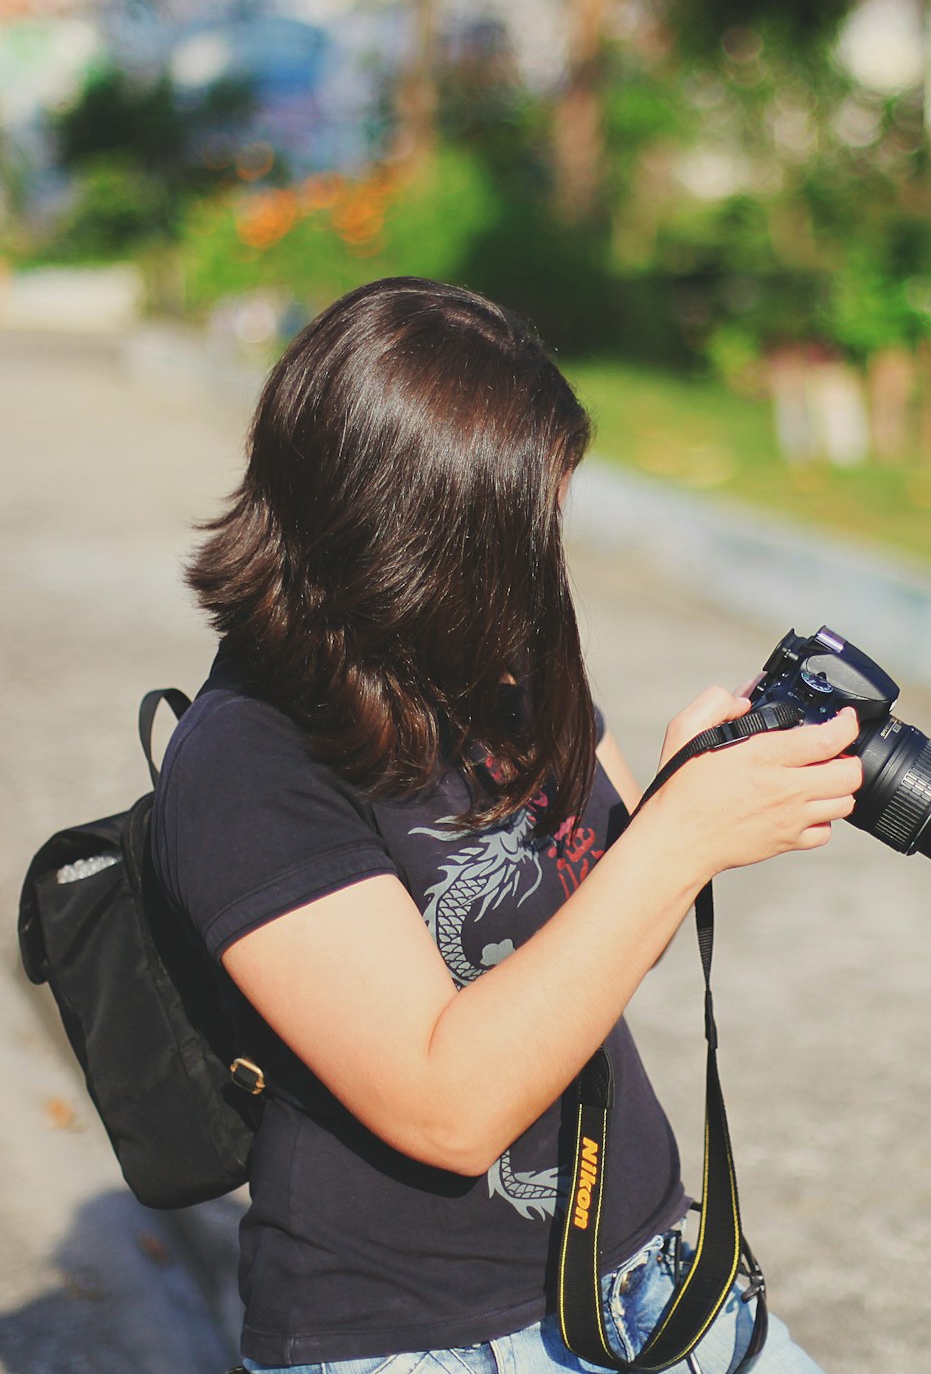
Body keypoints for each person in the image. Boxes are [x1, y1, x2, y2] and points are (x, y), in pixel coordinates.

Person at [151, 277, 862, 1374]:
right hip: (420, 1341)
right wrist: (676, 841)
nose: (546, 553)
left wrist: (690, 794)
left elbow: (603, 930)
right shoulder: (248, 758)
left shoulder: (494, 658)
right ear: (409, 525)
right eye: (522, 521)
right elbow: (448, 1109)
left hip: (642, 1277)